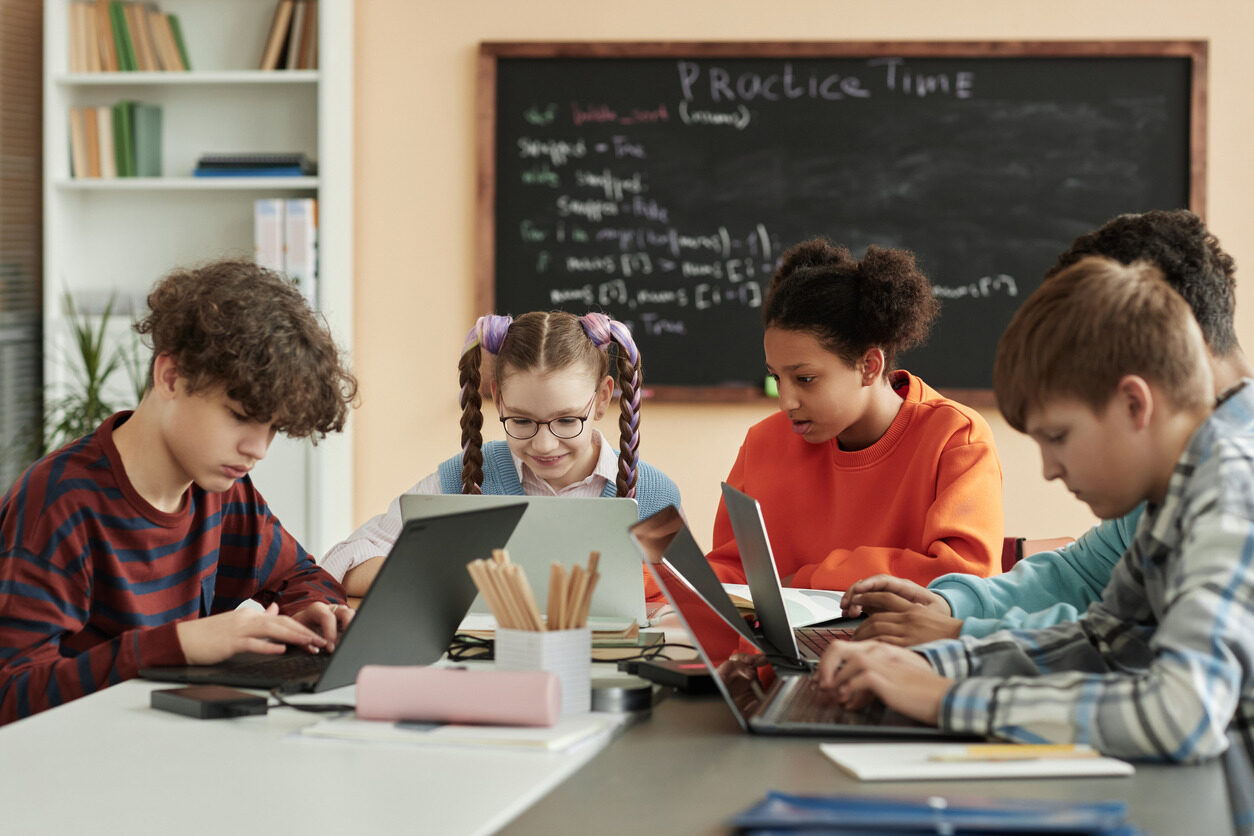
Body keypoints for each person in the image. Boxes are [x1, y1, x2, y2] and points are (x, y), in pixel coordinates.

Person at [817, 256, 1254, 777]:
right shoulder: (1173, 497)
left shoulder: (1230, 491)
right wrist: (929, 664)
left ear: (1135, 405)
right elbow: (1103, 642)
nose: (1048, 470)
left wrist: (944, 698)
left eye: (1059, 437)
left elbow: (1181, 715)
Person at [841, 209, 1254, 645]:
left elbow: (1148, 662)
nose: (1050, 470)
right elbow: (1083, 581)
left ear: (1162, 328)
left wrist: (962, 637)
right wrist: (949, 606)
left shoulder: (1232, 482)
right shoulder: (1172, 473)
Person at [0, 260, 359, 725]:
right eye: (238, 414)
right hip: (80, 769)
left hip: (172, 752)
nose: (258, 449)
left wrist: (312, 612)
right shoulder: (59, 501)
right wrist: (181, 644)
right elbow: (11, 692)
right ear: (170, 377)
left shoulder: (224, 492)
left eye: (271, 427)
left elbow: (302, 575)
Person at [699, 238, 1003, 593]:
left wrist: (810, 580)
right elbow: (733, 575)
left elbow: (965, 578)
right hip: (779, 650)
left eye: (805, 379)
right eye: (776, 378)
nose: (786, 402)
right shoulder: (762, 443)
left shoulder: (955, 439)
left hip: (899, 647)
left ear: (869, 366)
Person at [323, 311, 681, 597]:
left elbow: (681, 602)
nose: (544, 445)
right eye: (522, 421)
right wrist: (453, 576)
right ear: (497, 397)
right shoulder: (462, 480)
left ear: (603, 398)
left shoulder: (654, 496)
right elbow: (343, 561)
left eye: (568, 420)